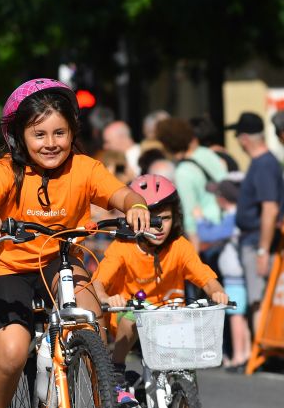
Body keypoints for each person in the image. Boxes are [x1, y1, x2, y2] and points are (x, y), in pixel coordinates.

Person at [0, 78, 151, 408]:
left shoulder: (86, 168)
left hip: (62, 259)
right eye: (39, 134)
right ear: (19, 136)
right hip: (10, 267)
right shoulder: (6, 170)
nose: (50, 142)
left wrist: (136, 206)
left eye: (59, 133)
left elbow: (121, 194)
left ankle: (89, 394)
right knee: (13, 351)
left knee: (89, 317)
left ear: (72, 133)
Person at [92, 174, 228, 374]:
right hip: (130, 318)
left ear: (176, 218)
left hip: (169, 318)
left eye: (165, 218)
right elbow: (98, 282)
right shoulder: (123, 247)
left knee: (185, 373)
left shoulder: (179, 246)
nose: (159, 226)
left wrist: (217, 292)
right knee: (131, 316)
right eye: (152, 219)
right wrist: (106, 298)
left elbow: (206, 279)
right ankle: (117, 369)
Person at [228, 112, 284, 328]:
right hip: (255, 240)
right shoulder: (262, 163)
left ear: (244, 138)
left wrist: (262, 251)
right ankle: (262, 354)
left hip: (257, 242)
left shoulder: (263, 164)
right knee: (258, 299)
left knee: (259, 300)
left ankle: (263, 355)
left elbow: (270, 208)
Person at [195, 179, 250, 371]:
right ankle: (245, 353)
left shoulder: (233, 216)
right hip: (235, 276)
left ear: (223, 198)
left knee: (235, 315)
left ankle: (239, 356)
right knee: (240, 315)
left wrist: (200, 221)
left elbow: (210, 236)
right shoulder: (233, 216)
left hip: (236, 276)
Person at [156, 117, 228, 248]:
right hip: (227, 224)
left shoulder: (183, 172)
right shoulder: (206, 153)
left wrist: (195, 249)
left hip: (208, 233)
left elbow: (190, 213)